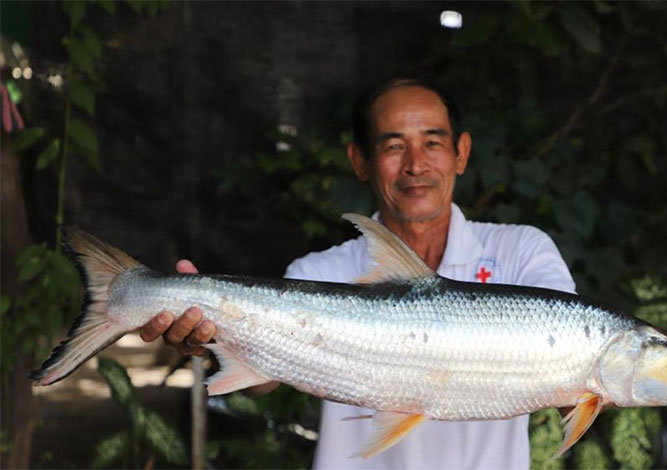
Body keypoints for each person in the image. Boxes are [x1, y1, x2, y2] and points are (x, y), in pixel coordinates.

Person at [139, 78, 576, 469]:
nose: (415, 164)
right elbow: (261, 382)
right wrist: (212, 337)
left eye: (432, 143)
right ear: (360, 161)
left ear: (461, 153)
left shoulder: (523, 251)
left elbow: (570, 357)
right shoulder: (318, 272)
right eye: (392, 146)